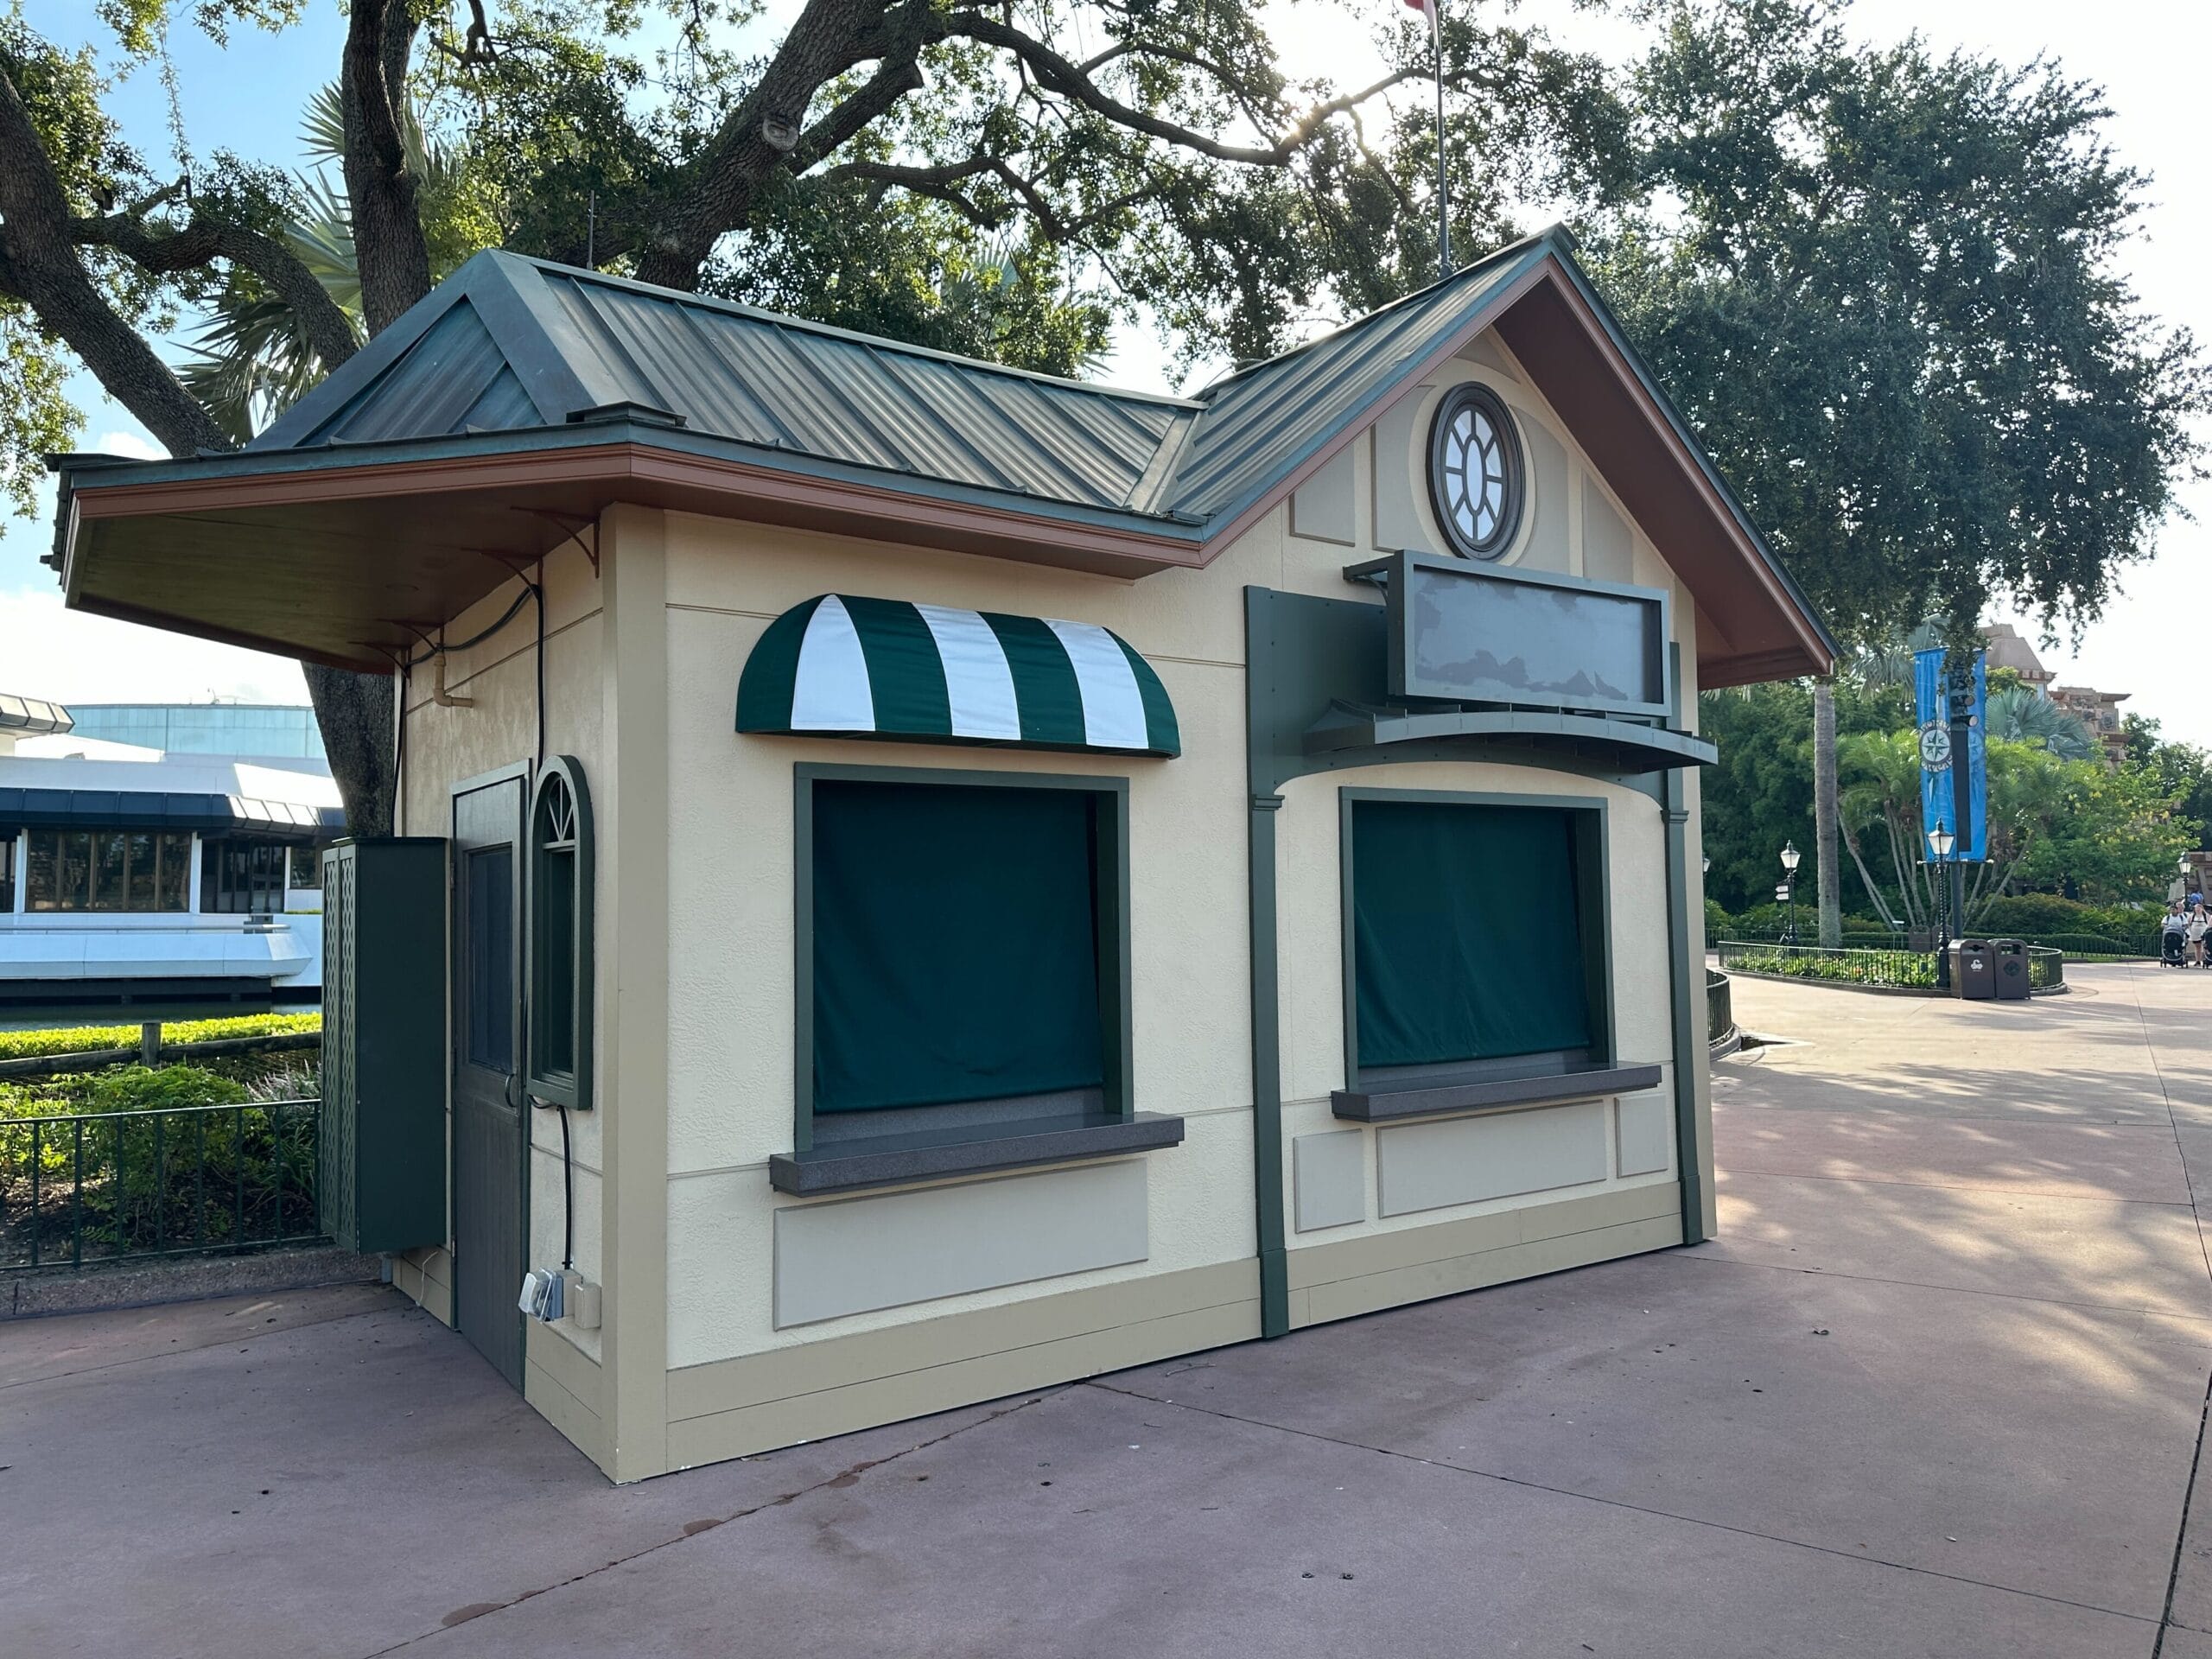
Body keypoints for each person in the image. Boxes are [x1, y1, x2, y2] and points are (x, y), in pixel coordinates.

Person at [2190, 904, 2210, 968]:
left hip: (2204, 932)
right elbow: (2189, 923)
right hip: (2195, 933)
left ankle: (2207, 959)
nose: (2198, 910)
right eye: (2196, 908)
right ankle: (2198, 960)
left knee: (2205, 947)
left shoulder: (2206, 915)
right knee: (2197, 947)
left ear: (2202, 909)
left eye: (2199, 908)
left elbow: (2209, 923)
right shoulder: (2192, 916)